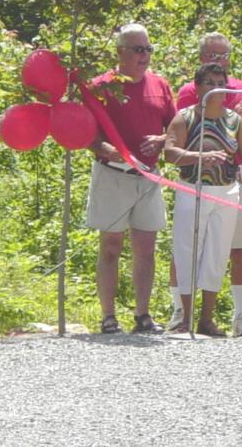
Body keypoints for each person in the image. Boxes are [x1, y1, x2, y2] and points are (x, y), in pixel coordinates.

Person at [86, 23, 176, 334]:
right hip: (113, 174)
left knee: (145, 247)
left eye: (149, 49)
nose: (145, 55)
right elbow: (86, 134)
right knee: (110, 246)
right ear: (120, 52)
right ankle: (108, 317)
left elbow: (175, 127)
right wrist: (106, 149)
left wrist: (162, 141)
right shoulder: (101, 86)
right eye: (139, 49)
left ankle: (143, 315)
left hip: (149, 176)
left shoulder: (160, 85)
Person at [170, 32, 242, 338]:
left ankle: (207, 318)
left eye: (219, 83)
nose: (214, 89)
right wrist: (198, 156)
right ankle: (183, 317)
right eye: (208, 83)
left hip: (225, 192)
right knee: (186, 249)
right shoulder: (185, 117)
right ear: (197, 87)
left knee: (218, 253)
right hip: (191, 189)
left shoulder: (235, 120)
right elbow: (170, 152)